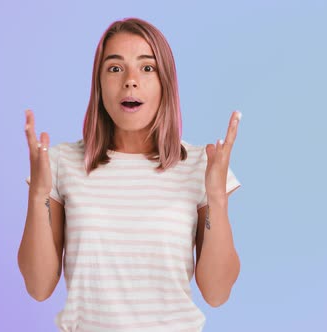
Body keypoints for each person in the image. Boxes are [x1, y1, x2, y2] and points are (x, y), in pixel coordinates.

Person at [18, 17, 242, 332]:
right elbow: (38, 287)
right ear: (98, 84)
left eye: (147, 68)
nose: (130, 80)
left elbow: (217, 293)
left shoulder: (200, 165)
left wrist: (216, 198)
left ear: (166, 82)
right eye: (115, 68)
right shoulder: (61, 163)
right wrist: (38, 195)